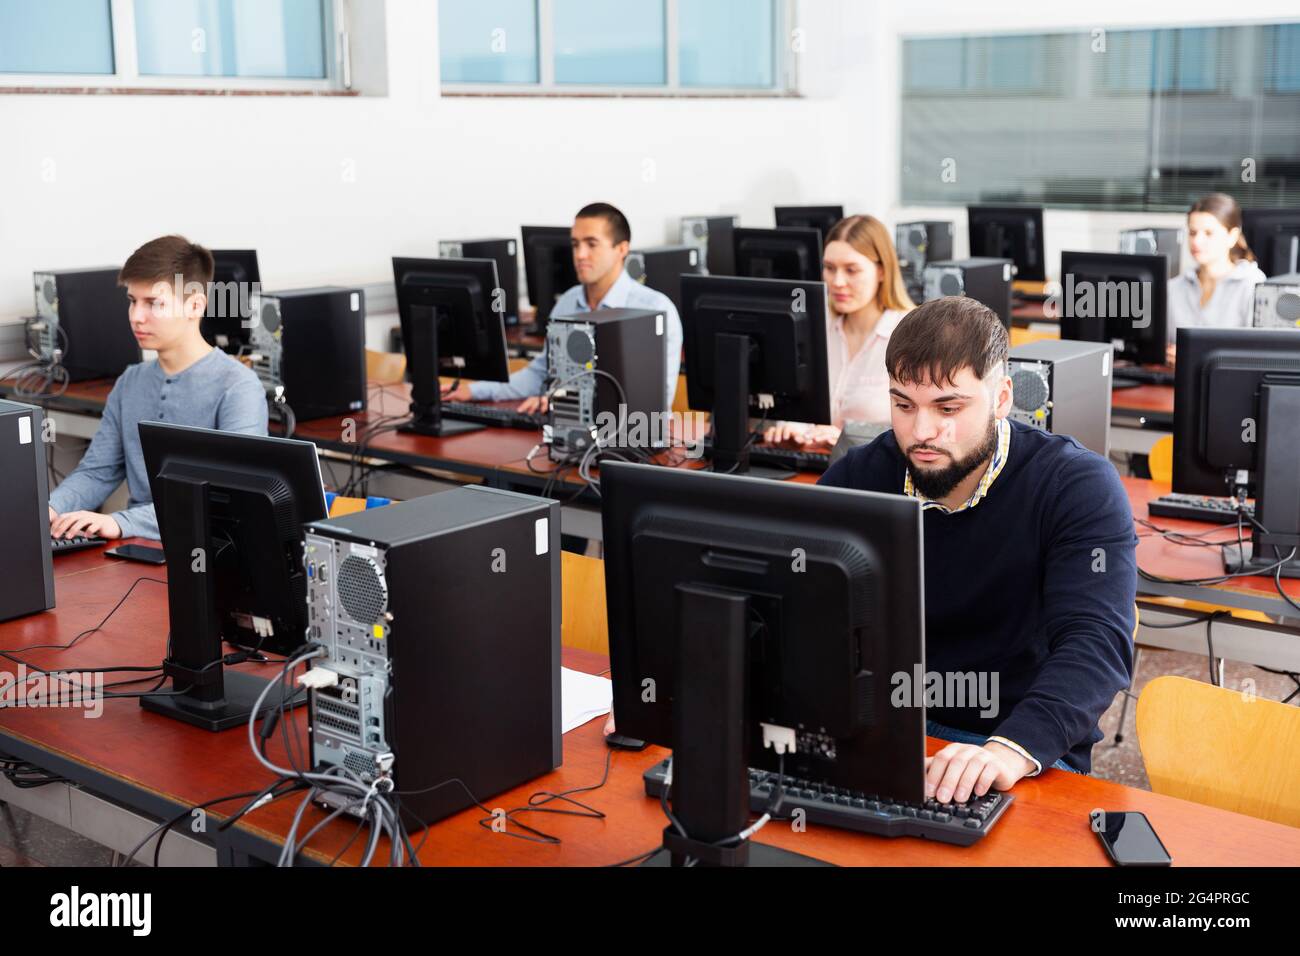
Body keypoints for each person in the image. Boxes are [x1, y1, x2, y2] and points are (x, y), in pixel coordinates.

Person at [818, 296, 1136, 803]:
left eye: (948, 408)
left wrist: (1007, 750)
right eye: (903, 405)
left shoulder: (1075, 484)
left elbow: (1096, 643)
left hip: (1016, 740)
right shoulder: (862, 474)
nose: (921, 432)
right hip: (892, 727)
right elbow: (798, 603)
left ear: (1003, 397)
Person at [48, 236, 268, 541]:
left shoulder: (239, 388)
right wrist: (50, 508)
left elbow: (229, 499)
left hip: (207, 549)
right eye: (132, 301)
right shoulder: (130, 382)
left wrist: (121, 522)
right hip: (138, 544)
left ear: (195, 305)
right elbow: (98, 471)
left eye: (154, 303)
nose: (137, 316)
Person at [442, 203, 683, 414]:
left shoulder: (655, 310)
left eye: (591, 244)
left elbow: (656, 401)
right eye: (575, 244)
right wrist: (475, 390)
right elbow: (541, 374)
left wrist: (563, 402)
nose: (580, 254)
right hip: (571, 433)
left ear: (621, 249)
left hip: (634, 438)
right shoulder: (568, 302)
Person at [764, 214, 914, 447]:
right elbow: (800, 402)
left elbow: (918, 428)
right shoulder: (814, 327)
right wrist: (793, 426)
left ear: (882, 271)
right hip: (816, 464)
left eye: (851, 270)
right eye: (830, 268)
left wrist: (849, 440)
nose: (837, 281)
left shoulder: (911, 335)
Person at [1166, 193, 1265, 365]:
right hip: (1175, 383)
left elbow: (1258, 353)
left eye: (1208, 233)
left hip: (1228, 385)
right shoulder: (1174, 287)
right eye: (1192, 232)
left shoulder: (1253, 284)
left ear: (1232, 236)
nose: (1197, 241)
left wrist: (1190, 357)